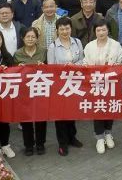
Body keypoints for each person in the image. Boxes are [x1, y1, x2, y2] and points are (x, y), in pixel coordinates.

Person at [82, 22, 122, 154]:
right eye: (98, 30)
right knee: (98, 109)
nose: (101, 33)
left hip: (111, 82)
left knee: (110, 108)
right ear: (95, 32)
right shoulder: (89, 46)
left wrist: (115, 68)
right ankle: (99, 138)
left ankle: (108, 133)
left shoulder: (116, 45)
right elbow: (85, 62)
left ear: (108, 31)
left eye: (103, 30)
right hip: (95, 83)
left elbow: (121, 62)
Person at [46, 17, 84, 156]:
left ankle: (72, 137)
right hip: (60, 85)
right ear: (57, 30)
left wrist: (74, 66)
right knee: (60, 115)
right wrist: (63, 69)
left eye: (67, 28)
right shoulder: (53, 46)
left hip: (75, 83)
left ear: (71, 29)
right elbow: (50, 67)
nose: (64, 31)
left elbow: (82, 60)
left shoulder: (77, 42)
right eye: (61, 29)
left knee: (71, 112)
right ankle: (62, 143)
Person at [14, 27, 48, 156]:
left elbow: (50, 69)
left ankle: (40, 144)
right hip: (24, 91)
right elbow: (12, 73)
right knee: (26, 119)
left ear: (37, 39)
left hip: (40, 89)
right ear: (23, 38)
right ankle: (28, 145)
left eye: (33, 37)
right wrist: (18, 68)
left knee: (41, 119)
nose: (30, 39)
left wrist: (44, 67)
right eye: (27, 37)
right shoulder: (17, 54)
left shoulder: (43, 51)